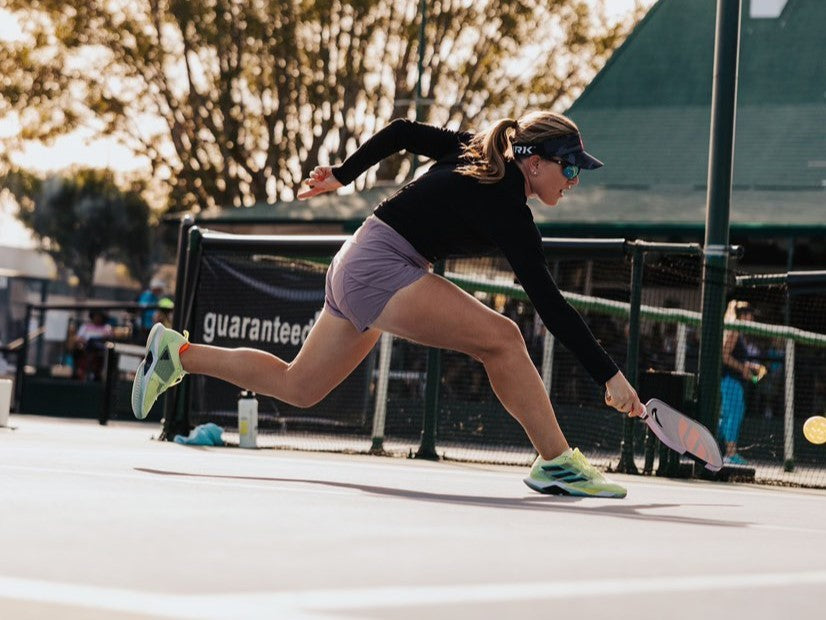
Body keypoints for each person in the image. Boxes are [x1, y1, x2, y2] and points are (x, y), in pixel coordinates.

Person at [131, 112, 644, 498]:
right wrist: (610, 376)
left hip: (361, 257)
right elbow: (551, 307)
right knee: (504, 339)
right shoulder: (506, 206)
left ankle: (179, 354)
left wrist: (344, 174)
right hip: (380, 266)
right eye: (569, 167)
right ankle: (555, 461)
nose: (573, 180)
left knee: (298, 386)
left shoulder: (477, 154)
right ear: (534, 161)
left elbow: (401, 131)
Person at [719, 300, 766, 465]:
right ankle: (730, 454)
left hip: (734, 381)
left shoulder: (739, 333)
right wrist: (742, 369)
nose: (752, 318)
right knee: (732, 415)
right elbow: (724, 356)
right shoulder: (735, 331)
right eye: (750, 315)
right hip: (730, 381)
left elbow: (734, 356)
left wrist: (749, 366)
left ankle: (722, 451)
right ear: (744, 315)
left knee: (730, 416)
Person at [72, 309, 114, 381]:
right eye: (96, 316)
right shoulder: (85, 327)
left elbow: (110, 339)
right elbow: (77, 338)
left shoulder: (107, 327)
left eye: (99, 316)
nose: (97, 318)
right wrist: (86, 341)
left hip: (102, 352)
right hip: (86, 351)